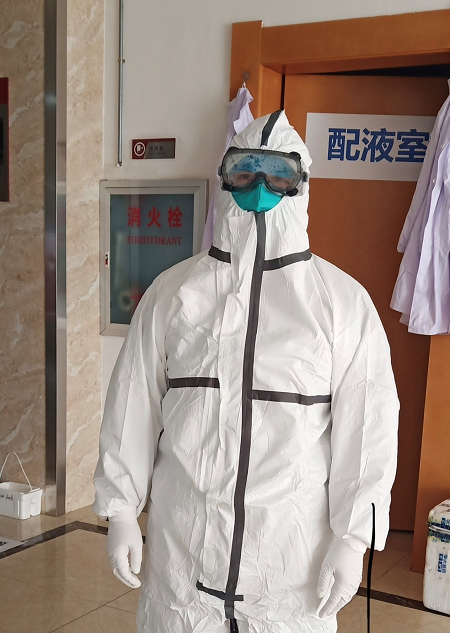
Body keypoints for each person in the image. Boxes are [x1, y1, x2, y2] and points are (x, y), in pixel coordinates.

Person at [93, 110, 399, 633]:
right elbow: (131, 405)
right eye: (245, 171)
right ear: (224, 178)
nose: (259, 188)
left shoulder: (341, 304)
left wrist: (353, 539)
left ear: (302, 184)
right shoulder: (174, 294)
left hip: (288, 563)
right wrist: (121, 511)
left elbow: (369, 429)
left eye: (278, 174)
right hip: (184, 557)